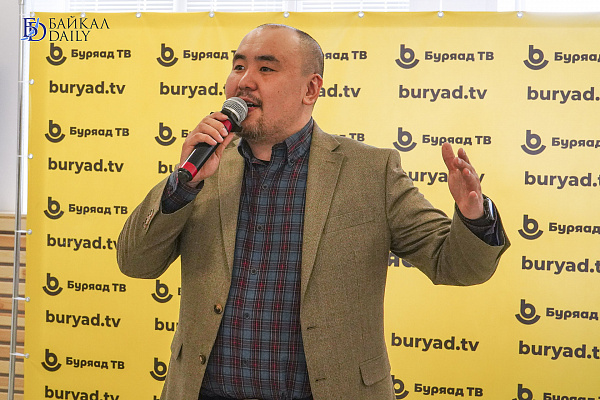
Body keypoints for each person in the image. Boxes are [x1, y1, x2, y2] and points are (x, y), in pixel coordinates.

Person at [117, 24, 509, 400]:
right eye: (238, 66)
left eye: (265, 68)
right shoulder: (204, 169)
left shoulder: (371, 172)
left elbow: (456, 266)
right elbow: (135, 262)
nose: (244, 81)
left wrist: (473, 215)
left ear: (310, 89)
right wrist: (182, 184)